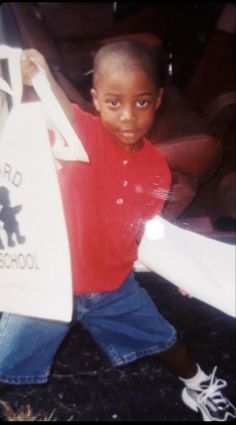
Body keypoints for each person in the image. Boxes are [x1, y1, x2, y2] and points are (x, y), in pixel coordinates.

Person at [0, 41, 235, 422]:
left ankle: (199, 385)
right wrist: (39, 75)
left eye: (141, 102)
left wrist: (183, 270)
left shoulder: (158, 170)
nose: (128, 116)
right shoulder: (81, 133)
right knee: (5, 355)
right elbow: (58, 109)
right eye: (114, 102)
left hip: (113, 287)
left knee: (165, 340)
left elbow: (143, 233)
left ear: (158, 100)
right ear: (95, 100)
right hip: (51, 283)